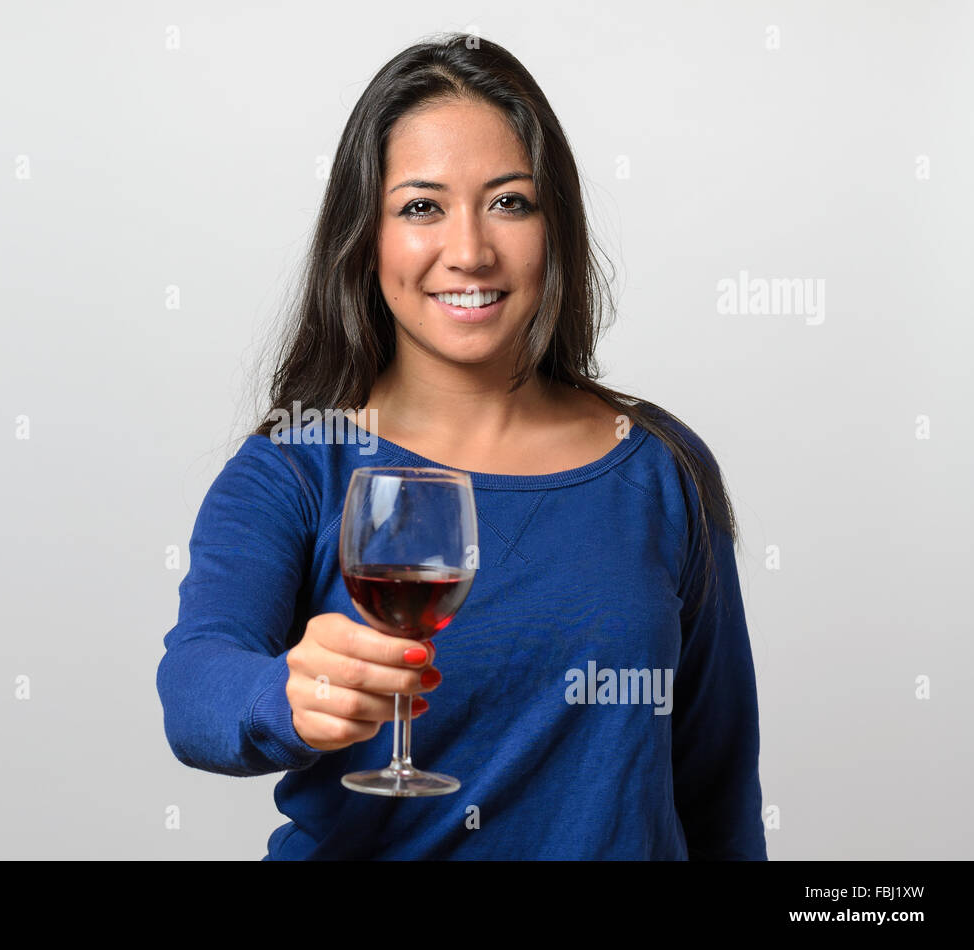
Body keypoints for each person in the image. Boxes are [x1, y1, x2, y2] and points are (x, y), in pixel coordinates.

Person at [156, 33, 766, 860]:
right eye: (421, 206)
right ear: (365, 237)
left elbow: (717, 788)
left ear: (556, 225)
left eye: (509, 202)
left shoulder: (660, 466)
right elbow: (194, 687)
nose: (471, 250)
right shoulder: (298, 464)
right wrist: (282, 693)